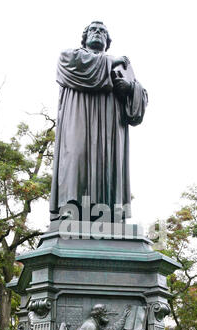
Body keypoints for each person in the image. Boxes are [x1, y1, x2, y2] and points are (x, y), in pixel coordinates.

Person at [50, 21, 148, 221]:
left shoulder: (123, 65)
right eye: (93, 30)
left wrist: (129, 88)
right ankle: (72, 209)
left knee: (109, 163)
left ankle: (109, 214)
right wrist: (109, 62)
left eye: (103, 31)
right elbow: (74, 65)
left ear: (107, 40)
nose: (98, 33)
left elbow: (139, 103)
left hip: (111, 125)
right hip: (78, 117)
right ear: (84, 37)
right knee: (75, 155)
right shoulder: (70, 56)